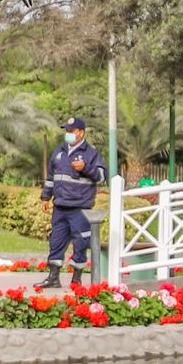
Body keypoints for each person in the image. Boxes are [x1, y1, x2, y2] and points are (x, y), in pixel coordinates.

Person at [39, 117, 107, 287]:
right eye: (67, 131)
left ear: (81, 132)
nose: (68, 134)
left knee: (81, 243)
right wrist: (46, 197)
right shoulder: (59, 152)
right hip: (60, 206)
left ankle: (76, 279)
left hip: (80, 207)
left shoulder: (91, 153)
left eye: (71, 131)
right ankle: (53, 278)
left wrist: (85, 168)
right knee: (56, 241)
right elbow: (50, 178)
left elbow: (101, 178)